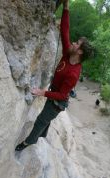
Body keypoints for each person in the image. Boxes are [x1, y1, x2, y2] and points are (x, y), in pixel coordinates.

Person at [15, 0, 93, 151]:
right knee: (45, 120)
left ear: (80, 52)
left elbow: (62, 95)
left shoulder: (73, 73)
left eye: (77, 44)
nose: (73, 43)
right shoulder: (67, 54)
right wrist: (66, 7)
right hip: (53, 92)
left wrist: (42, 92)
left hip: (57, 102)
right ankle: (42, 134)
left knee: (40, 120)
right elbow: (65, 30)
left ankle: (28, 142)